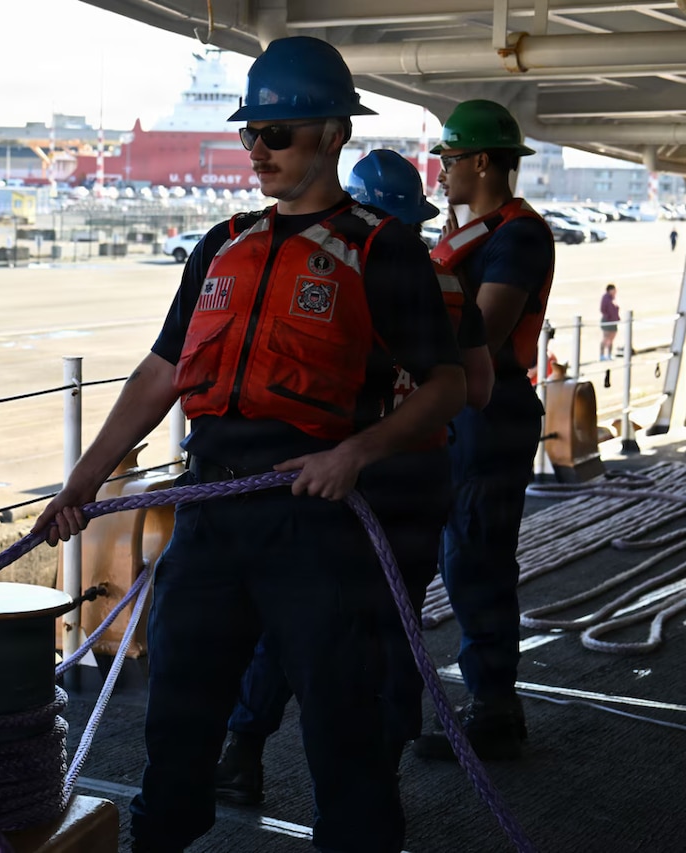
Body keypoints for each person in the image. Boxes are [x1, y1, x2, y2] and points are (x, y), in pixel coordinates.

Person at [32, 37, 466, 853]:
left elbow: (448, 385)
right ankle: (159, 838)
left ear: (333, 133)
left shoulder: (382, 248)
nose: (258, 150)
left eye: (279, 133)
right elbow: (162, 370)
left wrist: (357, 454)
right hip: (211, 517)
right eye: (250, 134)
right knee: (178, 717)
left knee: (346, 723)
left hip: (316, 520)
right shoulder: (221, 245)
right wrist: (82, 482)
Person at [213, 149, 495, 808]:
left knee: (295, 620)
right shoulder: (448, 283)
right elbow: (477, 389)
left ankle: (241, 752)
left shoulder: (340, 269)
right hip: (419, 478)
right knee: (395, 625)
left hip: (336, 474)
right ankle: (379, 775)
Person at [411, 99, 555, 762]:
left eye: (449, 156)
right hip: (461, 417)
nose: (441, 169)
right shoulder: (472, 234)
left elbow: (487, 329)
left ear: (482, 162)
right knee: (457, 555)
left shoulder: (518, 237)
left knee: (477, 559)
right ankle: (489, 703)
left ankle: (495, 709)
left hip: (492, 418)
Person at [600, 284, 619, 361]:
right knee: (606, 338)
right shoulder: (606, 299)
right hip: (608, 321)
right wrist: (608, 316)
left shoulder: (612, 298)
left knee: (611, 338)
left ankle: (609, 354)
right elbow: (603, 309)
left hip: (613, 321)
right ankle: (602, 355)